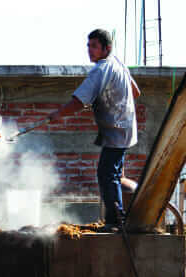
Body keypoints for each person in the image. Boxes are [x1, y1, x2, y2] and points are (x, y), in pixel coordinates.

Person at [48, 29, 140, 229]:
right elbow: (135, 91)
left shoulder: (102, 69)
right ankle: (117, 218)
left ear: (107, 48)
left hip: (117, 130)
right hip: (125, 128)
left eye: (94, 46)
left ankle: (115, 222)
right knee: (112, 173)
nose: (90, 50)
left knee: (107, 174)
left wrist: (58, 115)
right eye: (88, 46)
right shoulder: (119, 64)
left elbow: (79, 101)